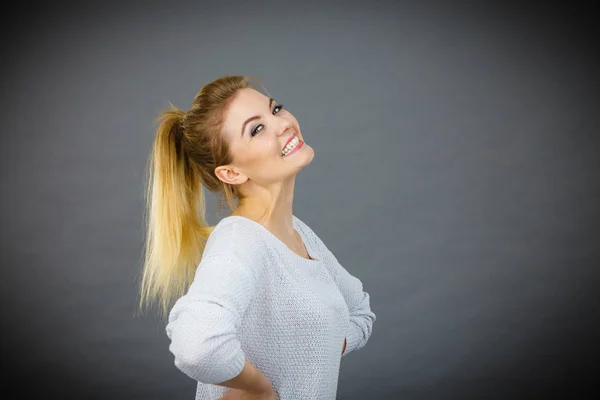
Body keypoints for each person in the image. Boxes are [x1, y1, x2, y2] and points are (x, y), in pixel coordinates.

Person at [137, 75, 376, 400]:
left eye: (275, 110)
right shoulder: (239, 242)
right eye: (256, 129)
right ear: (232, 173)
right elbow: (197, 344)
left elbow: (359, 312)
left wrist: (312, 353)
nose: (282, 124)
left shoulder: (296, 232)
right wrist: (257, 389)